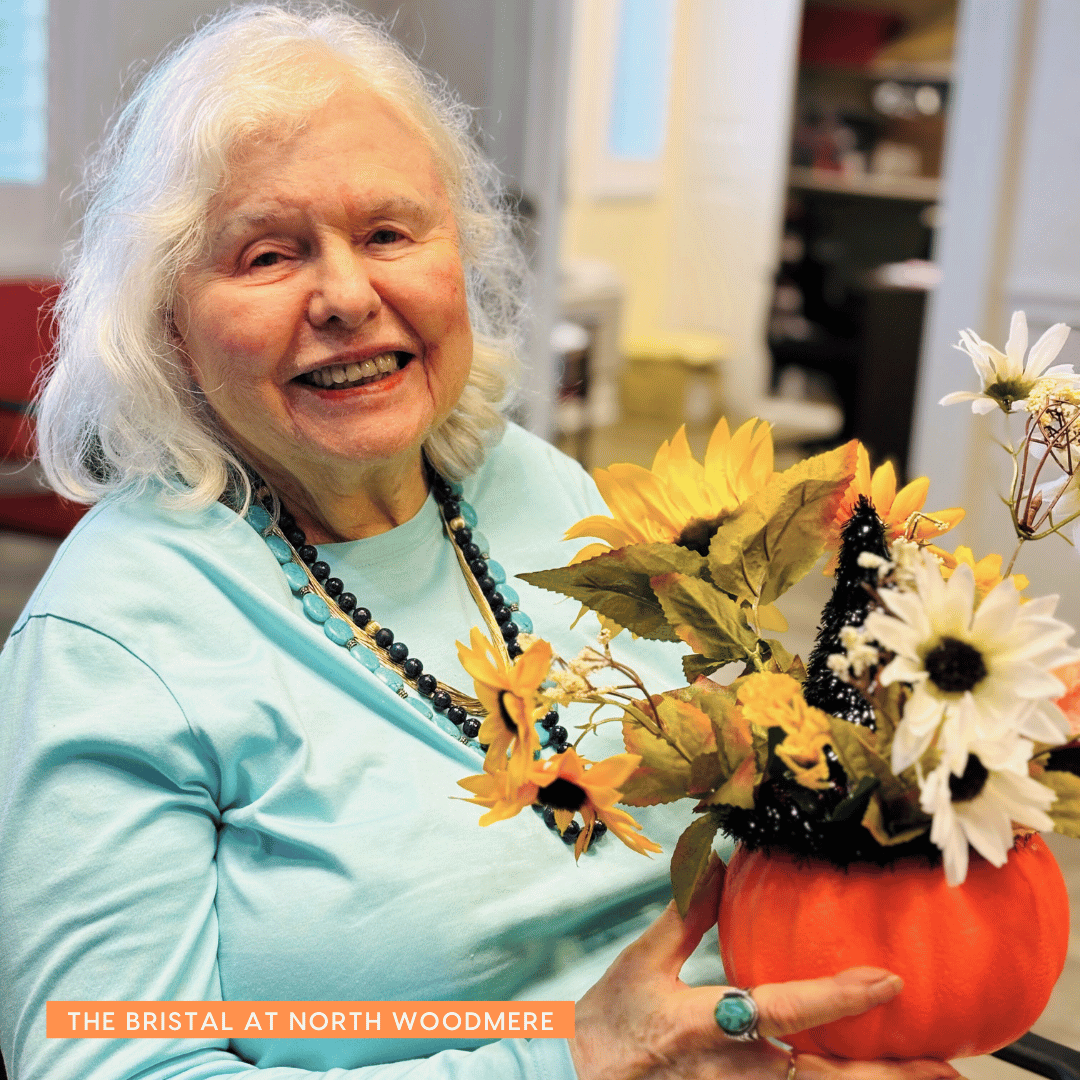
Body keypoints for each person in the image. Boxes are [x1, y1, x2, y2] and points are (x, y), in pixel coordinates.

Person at [0, 6, 962, 1080]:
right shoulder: (116, 641)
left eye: (389, 234)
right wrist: (577, 1059)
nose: (349, 297)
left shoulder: (536, 486)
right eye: (268, 254)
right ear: (165, 321)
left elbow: (737, 814)